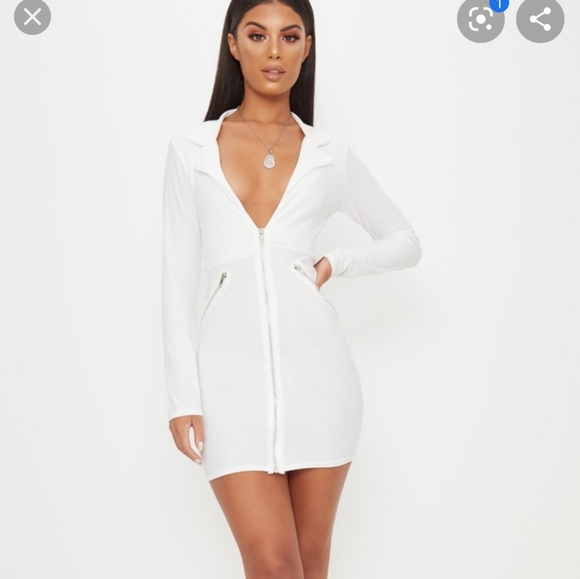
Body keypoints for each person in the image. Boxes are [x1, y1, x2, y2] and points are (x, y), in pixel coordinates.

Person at [161, 0, 422, 577]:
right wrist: (184, 398)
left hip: (322, 382)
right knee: (273, 565)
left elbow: (405, 241)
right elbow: (177, 280)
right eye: (257, 35)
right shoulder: (192, 150)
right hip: (228, 388)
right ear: (233, 44)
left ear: (307, 46)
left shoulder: (329, 155)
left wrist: (337, 262)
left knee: (310, 564)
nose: (274, 51)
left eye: (290, 36)